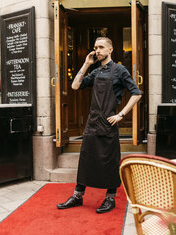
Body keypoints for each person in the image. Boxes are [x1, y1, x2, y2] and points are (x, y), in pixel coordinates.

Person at [57, 37, 142, 213]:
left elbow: (136, 93)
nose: (97, 50)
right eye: (96, 47)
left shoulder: (120, 70)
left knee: (109, 161)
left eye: (101, 47)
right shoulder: (95, 72)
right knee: (86, 158)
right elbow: (74, 86)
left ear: (110, 49)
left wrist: (121, 114)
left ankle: (110, 198)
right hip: (93, 121)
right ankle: (78, 196)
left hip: (109, 123)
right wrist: (87, 64)